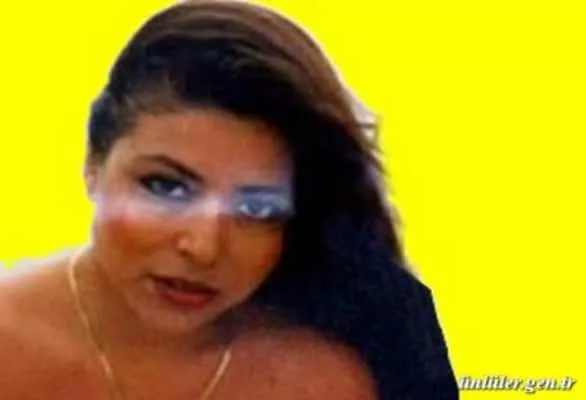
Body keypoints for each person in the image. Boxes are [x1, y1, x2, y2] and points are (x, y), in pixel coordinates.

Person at [0, 1, 459, 399]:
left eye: (257, 210)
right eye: (166, 187)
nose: (203, 247)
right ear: (93, 163)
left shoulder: (330, 378)